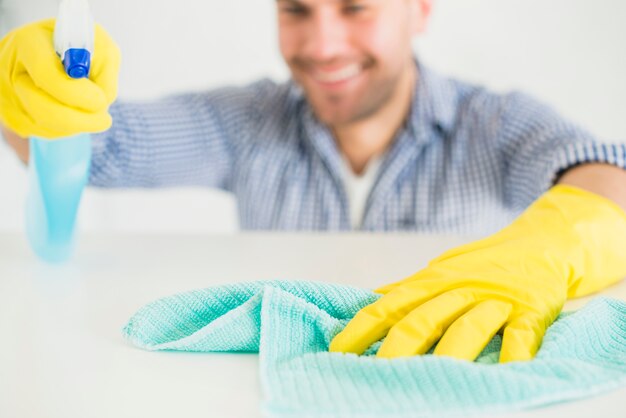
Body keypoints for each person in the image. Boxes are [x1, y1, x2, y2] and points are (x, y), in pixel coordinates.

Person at [2, 0, 626, 362]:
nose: (323, 44)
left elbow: (605, 169)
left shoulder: (491, 122)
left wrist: (553, 245)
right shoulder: (246, 122)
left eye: (355, 7)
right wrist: (30, 96)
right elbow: (99, 148)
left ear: (420, 9)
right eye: (296, 9)